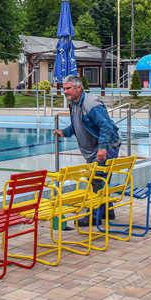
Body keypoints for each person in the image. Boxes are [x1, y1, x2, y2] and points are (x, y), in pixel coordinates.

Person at [53, 74, 121, 222]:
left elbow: (106, 126)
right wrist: (64, 132)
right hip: (95, 149)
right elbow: (78, 124)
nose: (65, 92)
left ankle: (93, 216)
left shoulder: (91, 104)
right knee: (100, 180)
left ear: (79, 87)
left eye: (68, 88)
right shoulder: (74, 103)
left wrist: (102, 148)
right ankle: (107, 211)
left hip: (106, 147)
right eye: (64, 89)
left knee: (96, 180)